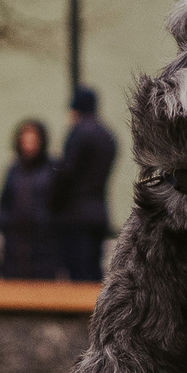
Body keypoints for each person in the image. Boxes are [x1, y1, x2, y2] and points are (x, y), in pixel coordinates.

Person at [51, 85, 119, 283]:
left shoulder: (79, 132)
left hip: (76, 215)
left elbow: (66, 174)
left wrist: (54, 205)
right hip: (99, 212)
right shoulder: (107, 135)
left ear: (75, 109)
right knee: (93, 271)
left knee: (78, 273)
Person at [0, 119, 59, 280]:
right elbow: (4, 201)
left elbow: (57, 204)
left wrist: (45, 221)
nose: (28, 146)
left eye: (32, 141)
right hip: (14, 246)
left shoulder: (50, 170)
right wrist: (3, 221)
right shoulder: (13, 171)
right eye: (25, 141)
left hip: (43, 245)